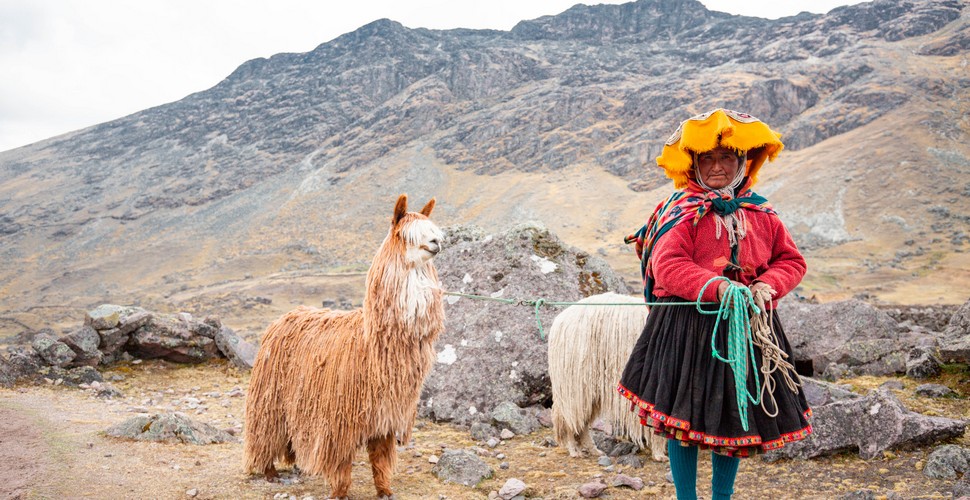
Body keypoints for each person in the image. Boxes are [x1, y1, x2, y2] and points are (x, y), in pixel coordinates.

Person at [617, 108, 812, 500]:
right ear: (694, 165)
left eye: (727, 158)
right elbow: (667, 265)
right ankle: (685, 497)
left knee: (735, 419)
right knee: (681, 421)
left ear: (743, 162)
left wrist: (765, 287)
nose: (718, 167)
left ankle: (722, 497)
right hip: (689, 328)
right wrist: (717, 288)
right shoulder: (682, 212)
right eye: (708, 158)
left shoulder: (763, 214)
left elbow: (791, 261)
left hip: (750, 329)